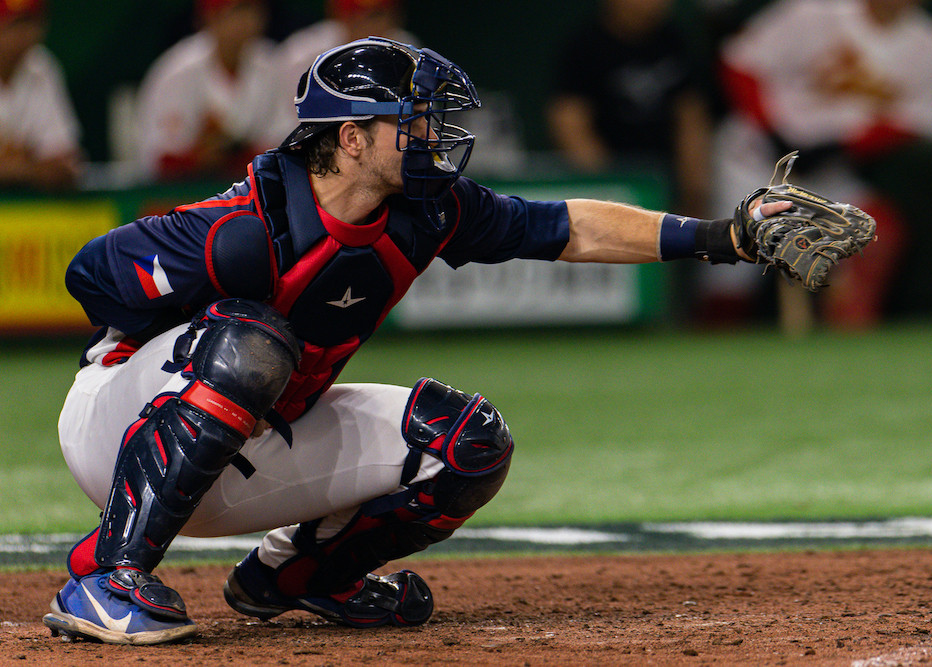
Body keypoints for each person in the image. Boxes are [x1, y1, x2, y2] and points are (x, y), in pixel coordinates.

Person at [42, 37, 792, 646]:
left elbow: (568, 226)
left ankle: (297, 577)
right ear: (352, 138)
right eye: (414, 119)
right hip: (118, 424)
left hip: (260, 433)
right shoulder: (245, 228)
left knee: (470, 442)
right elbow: (90, 274)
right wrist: (180, 338)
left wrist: (724, 237)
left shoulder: (429, 209)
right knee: (251, 339)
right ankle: (109, 573)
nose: (433, 134)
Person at [707, 0, 932, 331]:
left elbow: (918, 122)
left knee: (876, 231)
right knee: (726, 270)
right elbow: (738, 64)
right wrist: (772, 132)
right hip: (756, 157)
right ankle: (715, 344)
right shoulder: (813, 10)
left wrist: (843, 146)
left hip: (830, 169)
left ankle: (845, 343)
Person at [547, 0, 713, 218]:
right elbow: (569, 122)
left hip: (665, 185)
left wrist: (694, 191)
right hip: (614, 187)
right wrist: (611, 191)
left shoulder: (674, 40)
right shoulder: (585, 45)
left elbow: (690, 117)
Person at [134, 0, 277, 182]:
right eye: (237, 11)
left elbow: (283, 146)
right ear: (211, 17)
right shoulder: (178, 70)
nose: (247, 20)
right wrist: (202, 155)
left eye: (252, 10)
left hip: (253, 189)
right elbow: (160, 159)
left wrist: (231, 151)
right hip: (184, 194)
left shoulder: (270, 63)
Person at [266, 0, 418, 146]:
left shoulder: (407, 52)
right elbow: (284, 126)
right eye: (357, 16)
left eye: (378, 15)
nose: (370, 25)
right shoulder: (302, 53)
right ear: (340, 17)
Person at [0, 0, 81, 190]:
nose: (23, 35)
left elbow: (64, 161)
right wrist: (31, 164)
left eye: (30, 24)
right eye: (13, 25)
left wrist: (16, 167)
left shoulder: (42, 65)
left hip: (31, 212)